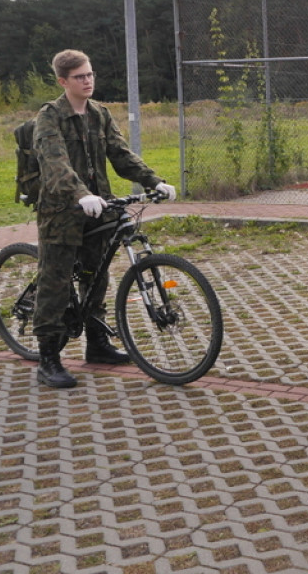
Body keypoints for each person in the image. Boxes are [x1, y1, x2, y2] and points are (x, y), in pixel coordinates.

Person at [32, 49, 176, 389]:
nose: (88, 81)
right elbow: (54, 163)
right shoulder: (50, 117)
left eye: (90, 74)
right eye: (80, 76)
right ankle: (48, 358)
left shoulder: (99, 114)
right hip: (62, 212)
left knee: (95, 277)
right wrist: (80, 194)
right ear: (63, 81)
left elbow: (120, 154)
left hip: (99, 209)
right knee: (55, 282)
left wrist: (153, 180)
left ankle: (97, 343)